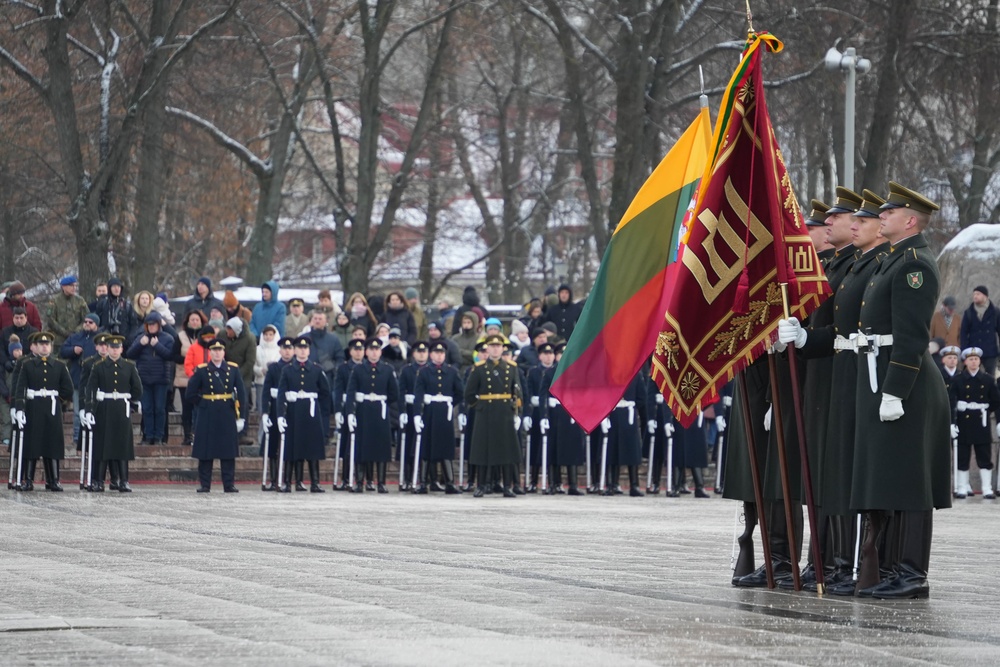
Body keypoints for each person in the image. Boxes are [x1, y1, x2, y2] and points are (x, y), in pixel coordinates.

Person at [782, 181, 951, 600]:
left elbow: (911, 336)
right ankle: (891, 568)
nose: (877, 219)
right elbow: (850, 332)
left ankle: (911, 572)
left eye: (887, 214)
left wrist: (895, 389)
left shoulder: (915, 264)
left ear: (909, 220)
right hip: (877, 375)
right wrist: (806, 340)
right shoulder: (887, 263)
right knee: (888, 477)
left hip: (903, 381)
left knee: (910, 481)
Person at [13, 332, 74, 491]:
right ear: (36, 346)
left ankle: (53, 479)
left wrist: (57, 400)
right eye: (41, 344)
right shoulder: (28, 365)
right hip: (33, 407)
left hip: (52, 409)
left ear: (51, 346)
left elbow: (68, 389)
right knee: (32, 443)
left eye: (47, 344)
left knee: (52, 443)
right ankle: (28, 479)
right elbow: (20, 388)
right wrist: (19, 408)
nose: (44, 346)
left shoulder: (60, 365)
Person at [464, 334, 522, 497]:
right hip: (486, 413)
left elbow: (517, 392)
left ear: (503, 349)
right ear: (487, 349)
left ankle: (507, 486)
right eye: (492, 346)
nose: (495, 349)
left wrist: (517, 413)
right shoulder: (480, 368)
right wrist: (480, 407)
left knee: (507, 451)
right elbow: (469, 393)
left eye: (498, 346)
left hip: (504, 412)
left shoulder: (511, 367)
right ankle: (481, 485)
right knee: (483, 450)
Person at [186, 338, 246, 492]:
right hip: (208, 413)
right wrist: (203, 403)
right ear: (210, 352)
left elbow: (242, 394)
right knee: (206, 451)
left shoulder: (233, 369)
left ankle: (229, 484)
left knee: (228, 451)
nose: (217, 353)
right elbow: (190, 393)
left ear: (224, 352)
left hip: (227, 412)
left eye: (220, 350)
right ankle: (205, 484)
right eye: (214, 350)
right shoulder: (202, 370)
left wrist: (241, 417)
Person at [86, 335, 142, 493]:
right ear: (108, 349)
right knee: (103, 445)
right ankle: (99, 481)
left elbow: (137, 388)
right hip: (104, 407)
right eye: (112, 347)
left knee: (122, 446)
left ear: (122, 349)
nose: (115, 350)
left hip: (121, 409)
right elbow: (90, 388)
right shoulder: (99, 366)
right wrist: (90, 409)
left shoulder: (129, 366)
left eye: (117, 348)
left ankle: (124, 481)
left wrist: (130, 399)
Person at [277, 335, 332, 493]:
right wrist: (281, 414)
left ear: (309, 350)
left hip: (311, 413)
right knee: (292, 448)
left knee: (313, 448)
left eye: (305, 348)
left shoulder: (316, 369)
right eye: (299, 348)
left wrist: (321, 413)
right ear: (294, 350)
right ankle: (288, 482)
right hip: (294, 412)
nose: (302, 351)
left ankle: (315, 482)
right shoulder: (287, 370)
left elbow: (325, 393)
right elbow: (281, 393)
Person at [345, 337, 400, 493]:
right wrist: (350, 412)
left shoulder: (388, 370)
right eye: (371, 349)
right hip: (363, 411)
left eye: (377, 349)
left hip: (380, 411)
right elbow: (350, 392)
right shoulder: (358, 369)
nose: (374, 352)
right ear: (366, 351)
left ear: (380, 351)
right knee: (362, 446)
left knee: (381, 447)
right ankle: (360, 482)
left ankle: (381, 483)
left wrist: (382, 400)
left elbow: (394, 393)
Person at [413, 341, 464, 494]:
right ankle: (423, 482)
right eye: (436, 353)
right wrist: (417, 414)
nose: (439, 356)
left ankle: (449, 482)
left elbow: (460, 393)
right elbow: (418, 394)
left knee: (446, 447)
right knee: (427, 446)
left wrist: (449, 402)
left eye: (442, 353)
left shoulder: (452, 372)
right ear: (431, 354)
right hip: (430, 411)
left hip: (445, 412)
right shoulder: (424, 372)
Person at [949, 347, 999, 499]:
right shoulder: (958, 380)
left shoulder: (988, 380)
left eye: (976, 359)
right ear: (965, 361)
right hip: (964, 422)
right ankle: (963, 486)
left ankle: (986, 488)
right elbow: (951, 403)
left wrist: (998, 422)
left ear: (980, 361)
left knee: (984, 455)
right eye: (971, 359)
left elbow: (996, 402)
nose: (974, 362)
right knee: (962, 456)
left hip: (981, 421)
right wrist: (951, 423)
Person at [539, 343, 586, 495]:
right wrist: (544, 415)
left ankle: (572, 484)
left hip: (570, 414)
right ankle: (554, 482)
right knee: (553, 449)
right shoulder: (550, 372)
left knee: (571, 450)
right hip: (555, 413)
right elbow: (543, 395)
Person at [126, 312, 174, 445]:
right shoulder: (141, 338)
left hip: (161, 379)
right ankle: (148, 436)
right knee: (147, 409)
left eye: (154, 324)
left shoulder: (167, 338)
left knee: (159, 409)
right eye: (149, 325)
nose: (152, 327)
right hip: (144, 379)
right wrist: (140, 344)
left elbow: (170, 356)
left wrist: (157, 345)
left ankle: (158, 437)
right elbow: (130, 354)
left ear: (159, 325)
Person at [259, 336, 294, 491]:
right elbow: (265, 392)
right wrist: (265, 413)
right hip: (274, 409)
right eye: (284, 348)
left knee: (289, 446)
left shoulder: (295, 368)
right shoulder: (274, 368)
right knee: (273, 445)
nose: (287, 351)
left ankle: (287, 479)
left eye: (289, 348)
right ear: (279, 350)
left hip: (291, 410)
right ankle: (273, 479)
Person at [60, 312, 101, 446]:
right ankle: (78, 437)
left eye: (91, 322)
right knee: (78, 412)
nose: (87, 324)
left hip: (96, 380)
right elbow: (62, 351)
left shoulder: (101, 339)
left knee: (95, 410)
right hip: (78, 379)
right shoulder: (75, 337)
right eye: (85, 322)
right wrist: (73, 350)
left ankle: (94, 434)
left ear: (96, 324)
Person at [332, 338, 366, 490]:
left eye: (361, 349)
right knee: (347, 445)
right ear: (351, 351)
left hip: (364, 408)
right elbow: (338, 390)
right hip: (348, 407)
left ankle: (365, 478)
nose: (358, 352)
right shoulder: (344, 368)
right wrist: (338, 410)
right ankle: (346, 478)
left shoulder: (367, 367)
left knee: (364, 444)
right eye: (355, 349)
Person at [398, 341, 428, 491]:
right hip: (410, 410)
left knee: (425, 446)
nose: (422, 354)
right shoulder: (407, 370)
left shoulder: (430, 370)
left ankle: (425, 478)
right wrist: (402, 411)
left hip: (427, 410)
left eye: (424, 351)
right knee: (409, 445)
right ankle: (408, 478)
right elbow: (400, 391)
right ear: (414, 354)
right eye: (418, 351)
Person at [173, 310, 205, 445]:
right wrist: (189, 359)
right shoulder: (180, 336)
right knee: (186, 408)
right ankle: (187, 435)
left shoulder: (205, 336)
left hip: (201, 378)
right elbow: (174, 355)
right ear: (187, 322)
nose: (195, 322)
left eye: (197, 320)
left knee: (200, 408)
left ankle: (199, 433)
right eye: (192, 320)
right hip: (184, 377)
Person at [960, 286, 1000, 377]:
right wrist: (964, 351)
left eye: (978, 294)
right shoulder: (969, 312)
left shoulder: (995, 312)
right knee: (970, 377)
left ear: (985, 296)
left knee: (990, 378)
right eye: (974, 294)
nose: (975, 296)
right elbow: (963, 333)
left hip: (990, 352)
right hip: (972, 352)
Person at [301, 310, 343, 390]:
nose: (317, 321)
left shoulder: (333, 339)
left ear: (326, 321)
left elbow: (340, 358)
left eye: (320, 319)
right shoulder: (303, 338)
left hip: (327, 377)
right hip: (307, 375)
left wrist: (334, 370)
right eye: (315, 318)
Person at [224, 317, 257, 420]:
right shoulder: (222, 335)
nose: (227, 332)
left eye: (230, 330)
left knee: (243, 401)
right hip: (226, 373)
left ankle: (244, 425)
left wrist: (237, 375)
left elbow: (250, 361)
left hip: (244, 374)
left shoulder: (250, 339)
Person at [46, 275, 89, 349]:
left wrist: (76, 331)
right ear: (63, 287)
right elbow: (50, 320)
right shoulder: (55, 301)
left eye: (75, 286)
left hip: (77, 340)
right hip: (59, 341)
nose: (74, 288)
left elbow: (87, 318)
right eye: (71, 286)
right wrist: (65, 333)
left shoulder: (80, 301)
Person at [253, 324, 280, 411]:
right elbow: (253, 365)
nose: (268, 337)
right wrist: (260, 370)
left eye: (270, 334)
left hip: (275, 383)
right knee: (261, 407)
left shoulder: (279, 350)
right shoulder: (257, 349)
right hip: (261, 382)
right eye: (266, 334)